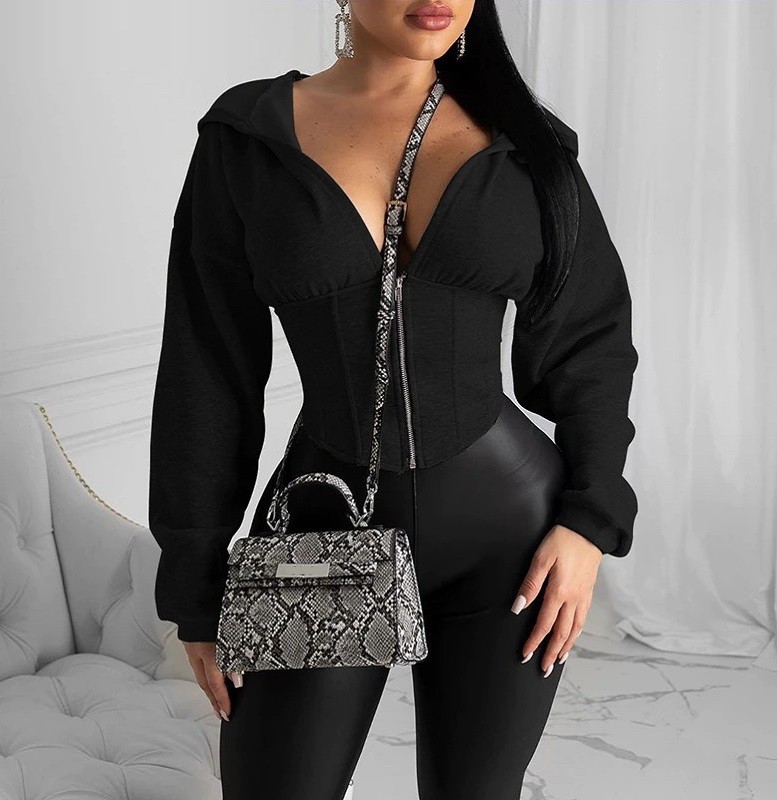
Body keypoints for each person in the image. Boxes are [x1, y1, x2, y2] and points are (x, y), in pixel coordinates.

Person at [147, 1, 639, 797]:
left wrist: (589, 521)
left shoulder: (525, 144)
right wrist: (195, 585)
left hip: (511, 536)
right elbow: (206, 372)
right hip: (319, 527)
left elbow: (592, 343)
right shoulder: (248, 139)